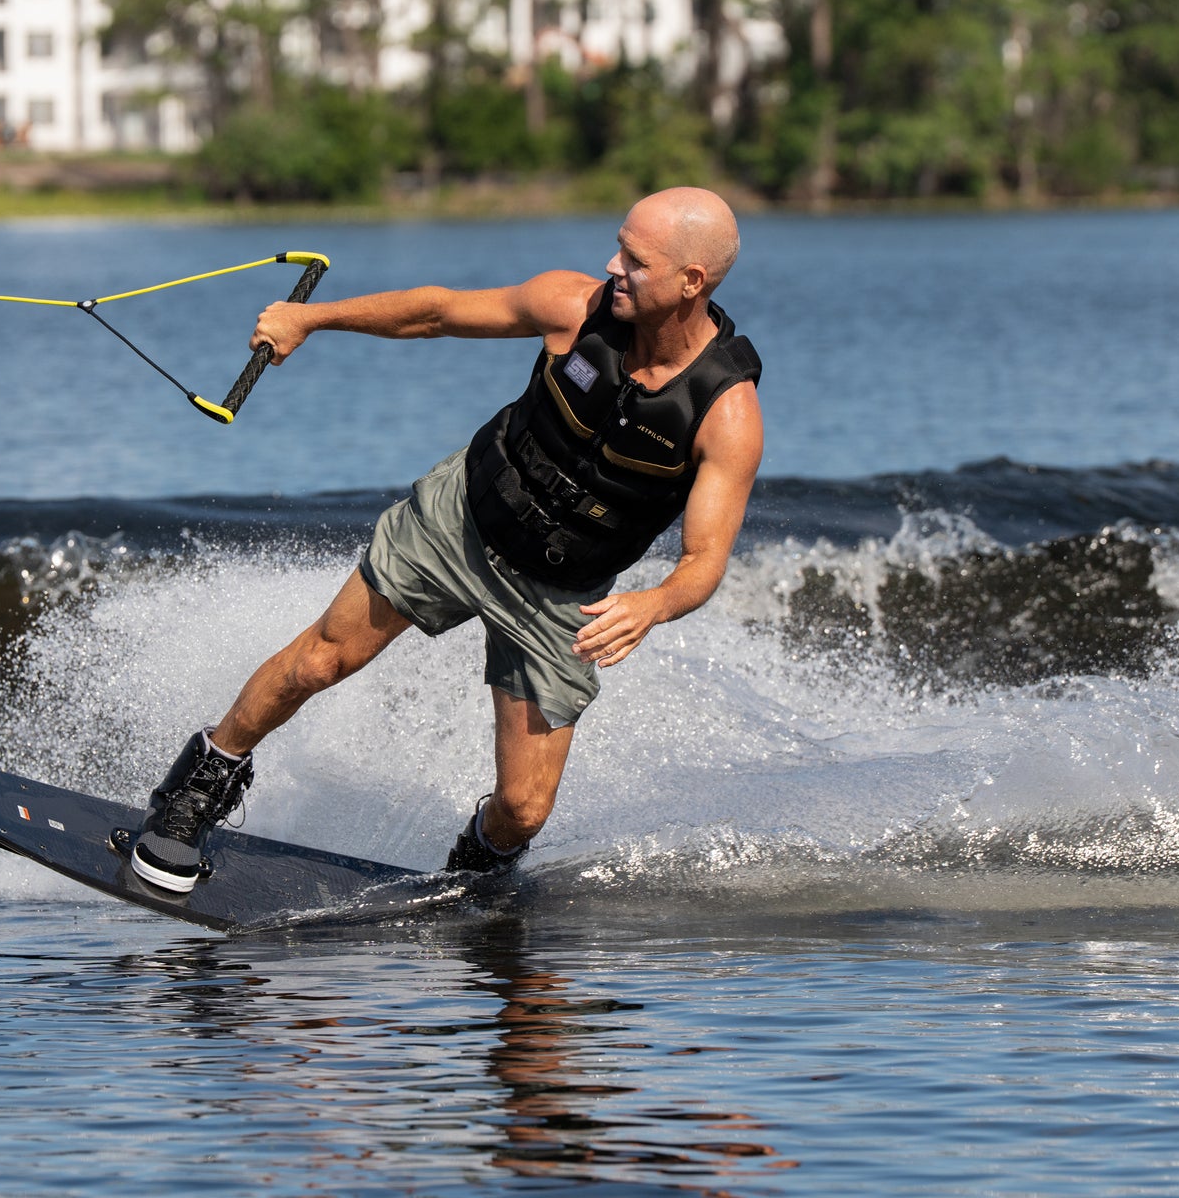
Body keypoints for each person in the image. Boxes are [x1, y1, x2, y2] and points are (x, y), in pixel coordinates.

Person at [114, 187, 765, 891]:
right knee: (320, 661)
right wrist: (311, 317)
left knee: (524, 809)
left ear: (691, 281)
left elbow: (704, 561)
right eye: (618, 248)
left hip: (558, 593)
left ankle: (474, 874)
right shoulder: (575, 308)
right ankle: (194, 791)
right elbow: (436, 312)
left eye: (635, 260)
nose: (613, 266)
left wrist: (653, 604)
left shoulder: (725, 415)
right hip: (462, 519)